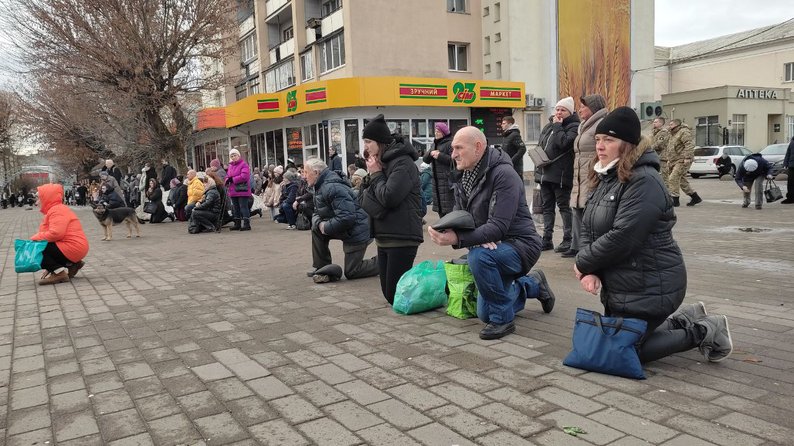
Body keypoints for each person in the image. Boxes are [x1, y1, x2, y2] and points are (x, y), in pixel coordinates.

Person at [574, 106, 732, 364]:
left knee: (625, 350)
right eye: (599, 139)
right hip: (624, 287)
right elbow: (589, 226)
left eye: (609, 140)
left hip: (651, 285)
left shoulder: (644, 180)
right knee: (616, 342)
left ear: (627, 145)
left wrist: (583, 262)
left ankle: (706, 330)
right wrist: (591, 269)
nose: (600, 146)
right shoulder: (607, 177)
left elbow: (623, 236)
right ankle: (686, 317)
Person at [428, 127, 556, 340]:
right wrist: (450, 229)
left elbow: (498, 227)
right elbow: (462, 217)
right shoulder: (464, 176)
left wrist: (459, 239)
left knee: (479, 258)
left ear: (478, 147)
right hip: (490, 244)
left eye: (459, 148)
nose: (453, 154)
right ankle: (532, 284)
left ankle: (503, 320)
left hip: (520, 245)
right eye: (452, 149)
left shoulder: (504, 175)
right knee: (483, 313)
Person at [359, 114, 424, 305]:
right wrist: (374, 179)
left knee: (395, 295)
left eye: (368, 141)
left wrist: (376, 175)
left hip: (402, 235)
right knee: (390, 295)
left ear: (380, 142)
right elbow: (362, 198)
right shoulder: (381, 164)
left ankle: (437, 290)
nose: (366, 146)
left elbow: (388, 197)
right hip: (384, 236)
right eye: (364, 141)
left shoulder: (402, 163)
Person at [303, 158, 379, 283]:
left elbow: (347, 217)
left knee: (352, 271)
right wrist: (320, 224)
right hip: (345, 227)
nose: (303, 176)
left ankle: (386, 260)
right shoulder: (319, 186)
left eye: (306, 172)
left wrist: (326, 227)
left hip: (357, 230)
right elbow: (317, 212)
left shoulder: (332, 187)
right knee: (316, 229)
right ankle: (322, 268)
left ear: (316, 173)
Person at [534, 96, 580, 252]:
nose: (559, 112)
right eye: (558, 109)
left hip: (561, 175)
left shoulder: (574, 126)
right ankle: (547, 239)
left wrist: (558, 127)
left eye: (563, 110)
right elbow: (541, 145)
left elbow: (563, 143)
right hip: (546, 173)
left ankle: (568, 239)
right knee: (547, 208)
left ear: (570, 112)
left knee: (564, 208)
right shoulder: (549, 126)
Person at [566, 94, 607, 259]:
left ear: (594, 108)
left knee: (589, 212)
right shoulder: (584, 126)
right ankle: (577, 247)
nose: (580, 110)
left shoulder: (601, 124)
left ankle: (591, 249)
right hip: (579, 175)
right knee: (577, 209)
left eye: (583, 106)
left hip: (592, 174)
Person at [29, 183, 89, 285]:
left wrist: (34, 238)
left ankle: (59, 274)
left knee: (35, 248)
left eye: (39, 199)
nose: (37, 202)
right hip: (75, 247)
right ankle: (73, 264)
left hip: (72, 247)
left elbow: (56, 234)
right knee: (41, 245)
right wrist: (50, 266)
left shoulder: (57, 210)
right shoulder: (56, 209)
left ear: (47, 198)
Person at [666, 119, 702, 206]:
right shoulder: (672, 134)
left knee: (673, 178)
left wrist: (687, 157)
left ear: (676, 125)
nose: (669, 126)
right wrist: (669, 160)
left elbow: (689, 145)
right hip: (674, 160)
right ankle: (695, 197)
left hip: (682, 160)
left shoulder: (684, 132)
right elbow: (670, 148)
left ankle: (675, 200)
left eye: (671, 124)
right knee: (682, 181)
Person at [423, 122, 454, 218]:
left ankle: (450, 230)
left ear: (444, 133)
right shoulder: (434, 144)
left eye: (438, 131)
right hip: (436, 182)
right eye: (435, 131)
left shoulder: (450, 144)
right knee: (440, 209)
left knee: (449, 208)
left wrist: (440, 156)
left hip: (446, 181)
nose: (436, 133)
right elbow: (425, 160)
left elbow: (454, 161)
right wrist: (430, 153)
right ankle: (443, 229)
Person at [225, 149, 252, 231]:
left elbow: (245, 176)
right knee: (235, 207)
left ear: (239, 156)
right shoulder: (230, 166)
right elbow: (227, 176)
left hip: (242, 189)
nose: (233, 157)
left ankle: (247, 224)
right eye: (231, 156)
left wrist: (233, 179)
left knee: (243, 207)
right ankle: (237, 224)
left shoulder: (244, 164)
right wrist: (227, 180)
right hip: (233, 190)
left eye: (235, 155)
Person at [500, 116, 527, 181]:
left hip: (515, 168)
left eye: (504, 123)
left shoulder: (514, 134)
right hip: (508, 166)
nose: (501, 125)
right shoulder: (507, 135)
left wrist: (511, 161)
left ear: (510, 125)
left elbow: (522, 149)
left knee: (517, 186)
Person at [650, 116, 671, 184]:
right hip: (655, 156)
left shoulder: (664, 132)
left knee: (664, 177)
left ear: (661, 123)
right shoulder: (654, 132)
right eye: (653, 122)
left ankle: (667, 193)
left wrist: (649, 148)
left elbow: (659, 144)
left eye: (656, 122)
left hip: (662, 157)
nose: (654, 123)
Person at [782, 136, 794, 204]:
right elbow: (788, 153)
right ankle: (790, 198)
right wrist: (785, 164)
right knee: (791, 183)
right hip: (792, 166)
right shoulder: (792, 142)